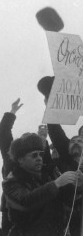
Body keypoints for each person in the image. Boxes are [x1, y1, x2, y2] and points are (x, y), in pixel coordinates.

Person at [37, 75, 83, 236]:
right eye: (73, 140)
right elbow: (55, 131)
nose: (77, 142)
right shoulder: (65, 158)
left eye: (81, 140)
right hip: (61, 212)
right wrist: (51, 102)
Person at [2, 133, 82, 236]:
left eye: (41, 154)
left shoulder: (50, 173)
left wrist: (77, 185)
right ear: (20, 159)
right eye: (34, 155)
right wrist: (56, 184)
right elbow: (26, 202)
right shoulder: (11, 181)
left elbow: (67, 199)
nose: (39, 158)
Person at [0, 99, 23, 236]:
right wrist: (12, 112)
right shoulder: (12, 161)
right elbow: (3, 135)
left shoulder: (42, 162)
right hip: (10, 211)